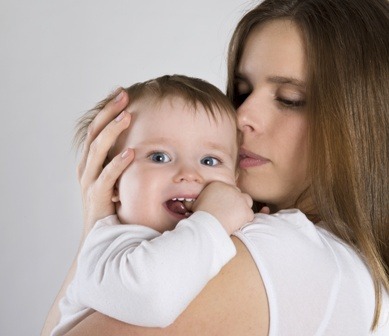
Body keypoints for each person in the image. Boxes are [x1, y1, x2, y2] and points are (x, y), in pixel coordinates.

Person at [42, 0, 389, 335]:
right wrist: (104, 230)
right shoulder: (348, 266)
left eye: (289, 100)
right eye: (241, 92)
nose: (241, 118)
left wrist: (99, 228)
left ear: (362, 123)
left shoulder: (283, 252)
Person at [50, 75, 255, 335]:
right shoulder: (108, 246)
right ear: (113, 183)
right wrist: (214, 221)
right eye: (160, 157)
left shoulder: (201, 236)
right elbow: (153, 298)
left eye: (210, 160)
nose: (189, 173)